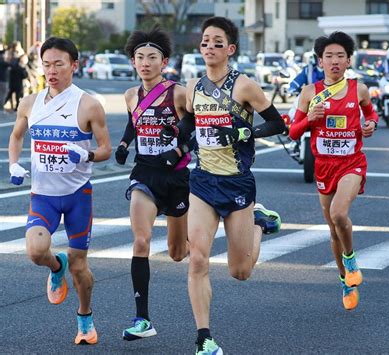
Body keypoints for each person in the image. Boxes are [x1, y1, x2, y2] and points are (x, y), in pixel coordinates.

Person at [160, 16, 286, 354]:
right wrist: (178, 146)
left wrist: (244, 131)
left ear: (230, 49)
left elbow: (277, 123)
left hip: (237, 183)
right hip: (202, 181)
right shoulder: (193, 86)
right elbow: (191, 122)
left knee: (240, 271)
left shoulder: (244, 85)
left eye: (218, 42)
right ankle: (204, 337)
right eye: (205, 41)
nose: (210, 47)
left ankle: (257, 223)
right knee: (197, 258)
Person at [8, 37, 112, 344]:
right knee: (35, 251)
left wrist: (88, 154)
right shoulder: (30, 103)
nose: (51, 70)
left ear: (74, 66)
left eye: (59, 64)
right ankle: (56, 266)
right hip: (43, 196)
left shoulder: (89, 104)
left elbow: (105, 148)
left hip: (78, 195)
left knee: (80, 266)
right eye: (47, 64)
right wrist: (13, 164)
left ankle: (85, 319)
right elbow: (16, 136)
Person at [288, 31, 378, 311]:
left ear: (348, 60)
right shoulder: (309, 92)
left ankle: (350, 259)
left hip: (351, 163)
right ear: (320, 61)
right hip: (323, 166)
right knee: (333, 229)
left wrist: (370, 125)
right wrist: (308, 120)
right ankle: (345, 280)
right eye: (329, 56)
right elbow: (292, 132)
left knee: (340, 213)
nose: (335, 61)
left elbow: (371, 114)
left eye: (340, 56)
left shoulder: (358, 89)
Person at [115, 24, 192, 341]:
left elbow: (198, 128)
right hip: (145, 174)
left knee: (177, 253)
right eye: (139, 57)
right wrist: (122, 145)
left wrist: (178, 149)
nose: (145, 62)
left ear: (165, 62)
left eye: (152, 57)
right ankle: (142, 319)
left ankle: (252, 215)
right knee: (141, 241)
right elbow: (134, 124)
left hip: (177, 176)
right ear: (133, 62)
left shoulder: (179, 93)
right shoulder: (131, 95)